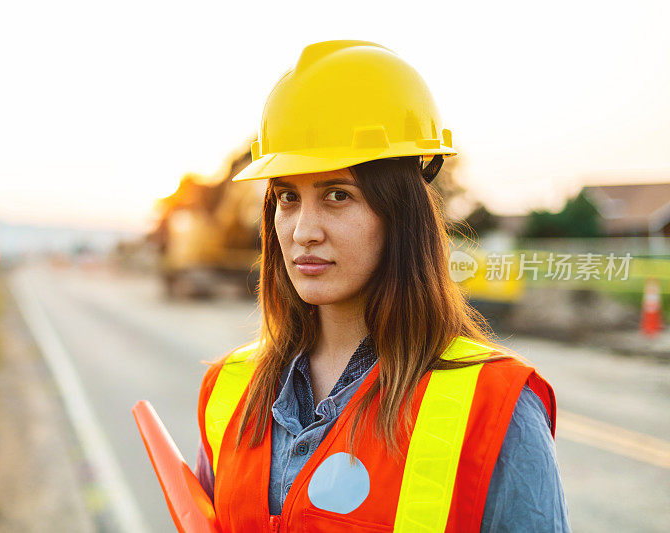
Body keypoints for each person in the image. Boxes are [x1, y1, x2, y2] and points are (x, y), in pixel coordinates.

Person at [193, 40, 571, 532]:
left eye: (337, 195)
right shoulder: (228, 391)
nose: (304, 231)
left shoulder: (494, 407)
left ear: (401, 213)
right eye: (288, 197)